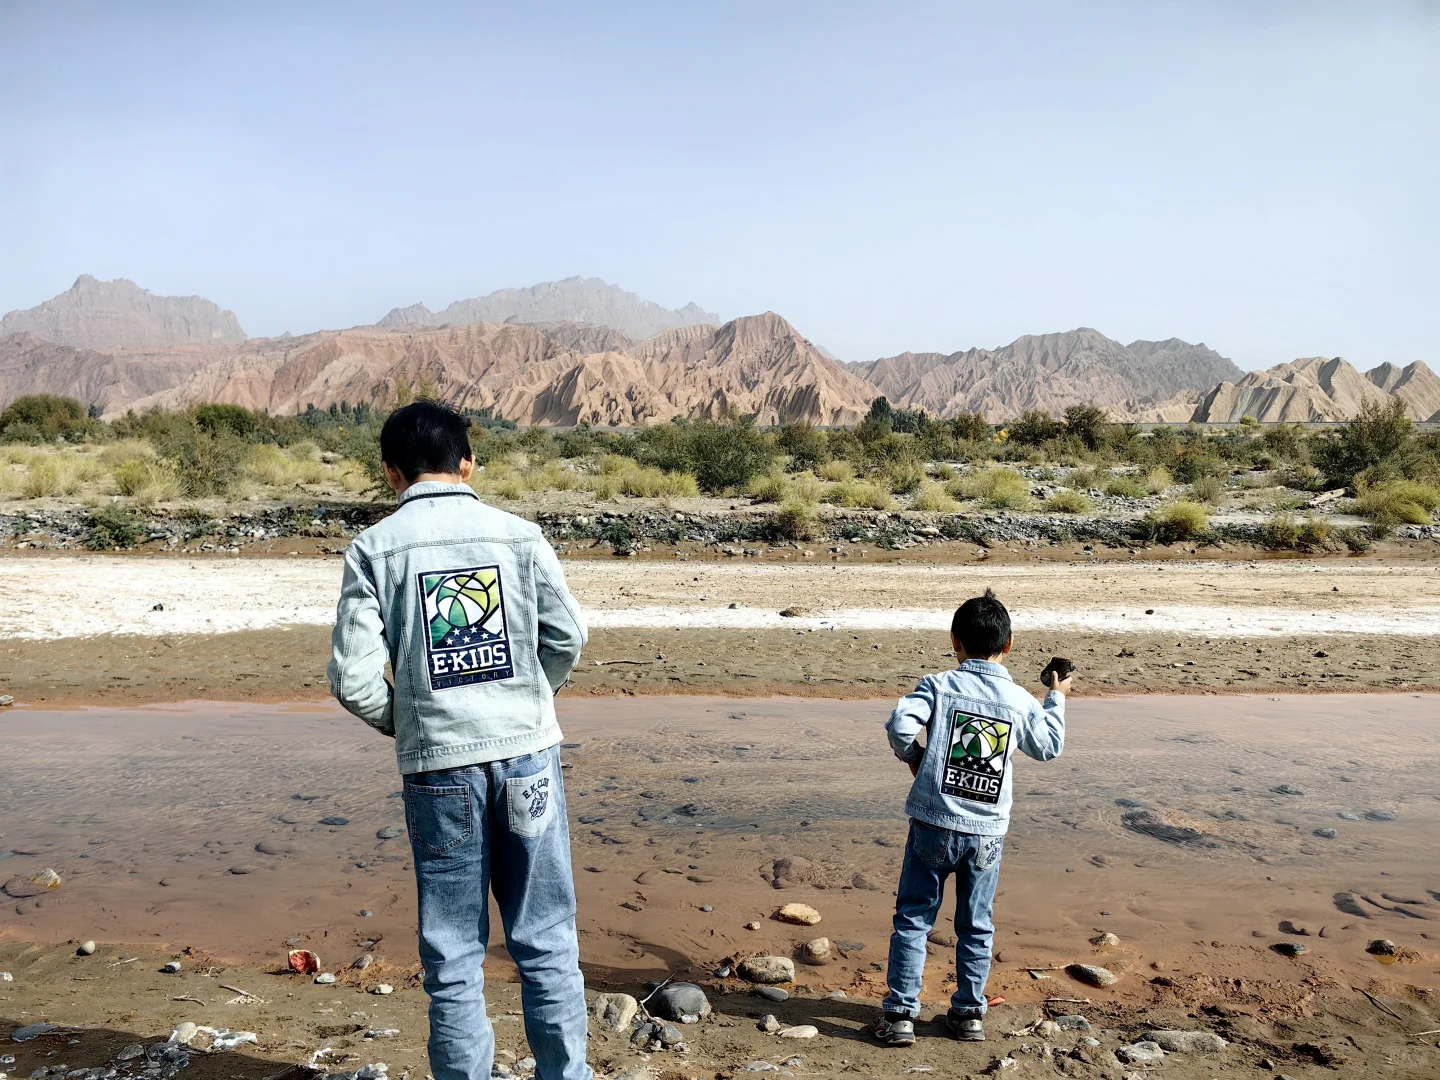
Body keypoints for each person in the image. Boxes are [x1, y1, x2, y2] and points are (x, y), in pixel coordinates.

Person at [328, 400, 591, 1080]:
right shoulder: (520, 536)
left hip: (440, 769)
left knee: (452, 957)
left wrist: (410, 720)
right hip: (527, 756)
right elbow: (567, 639)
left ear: (391, 473)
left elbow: (353, 679)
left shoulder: (374, 549)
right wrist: (527, 701)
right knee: (547, 941)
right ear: (468, 461)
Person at [874, 588, 1069, 1047]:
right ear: (1010, 644)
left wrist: (916, 758)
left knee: (914, 918)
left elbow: (899, 725)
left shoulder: (939, 684)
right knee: (976, 924)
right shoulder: (1020, 699)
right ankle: (967, 1015)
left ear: (954, 641)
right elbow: (1048, 748)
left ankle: (900, 1015)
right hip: (986, 833)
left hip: (933, 821)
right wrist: (1055, 698)